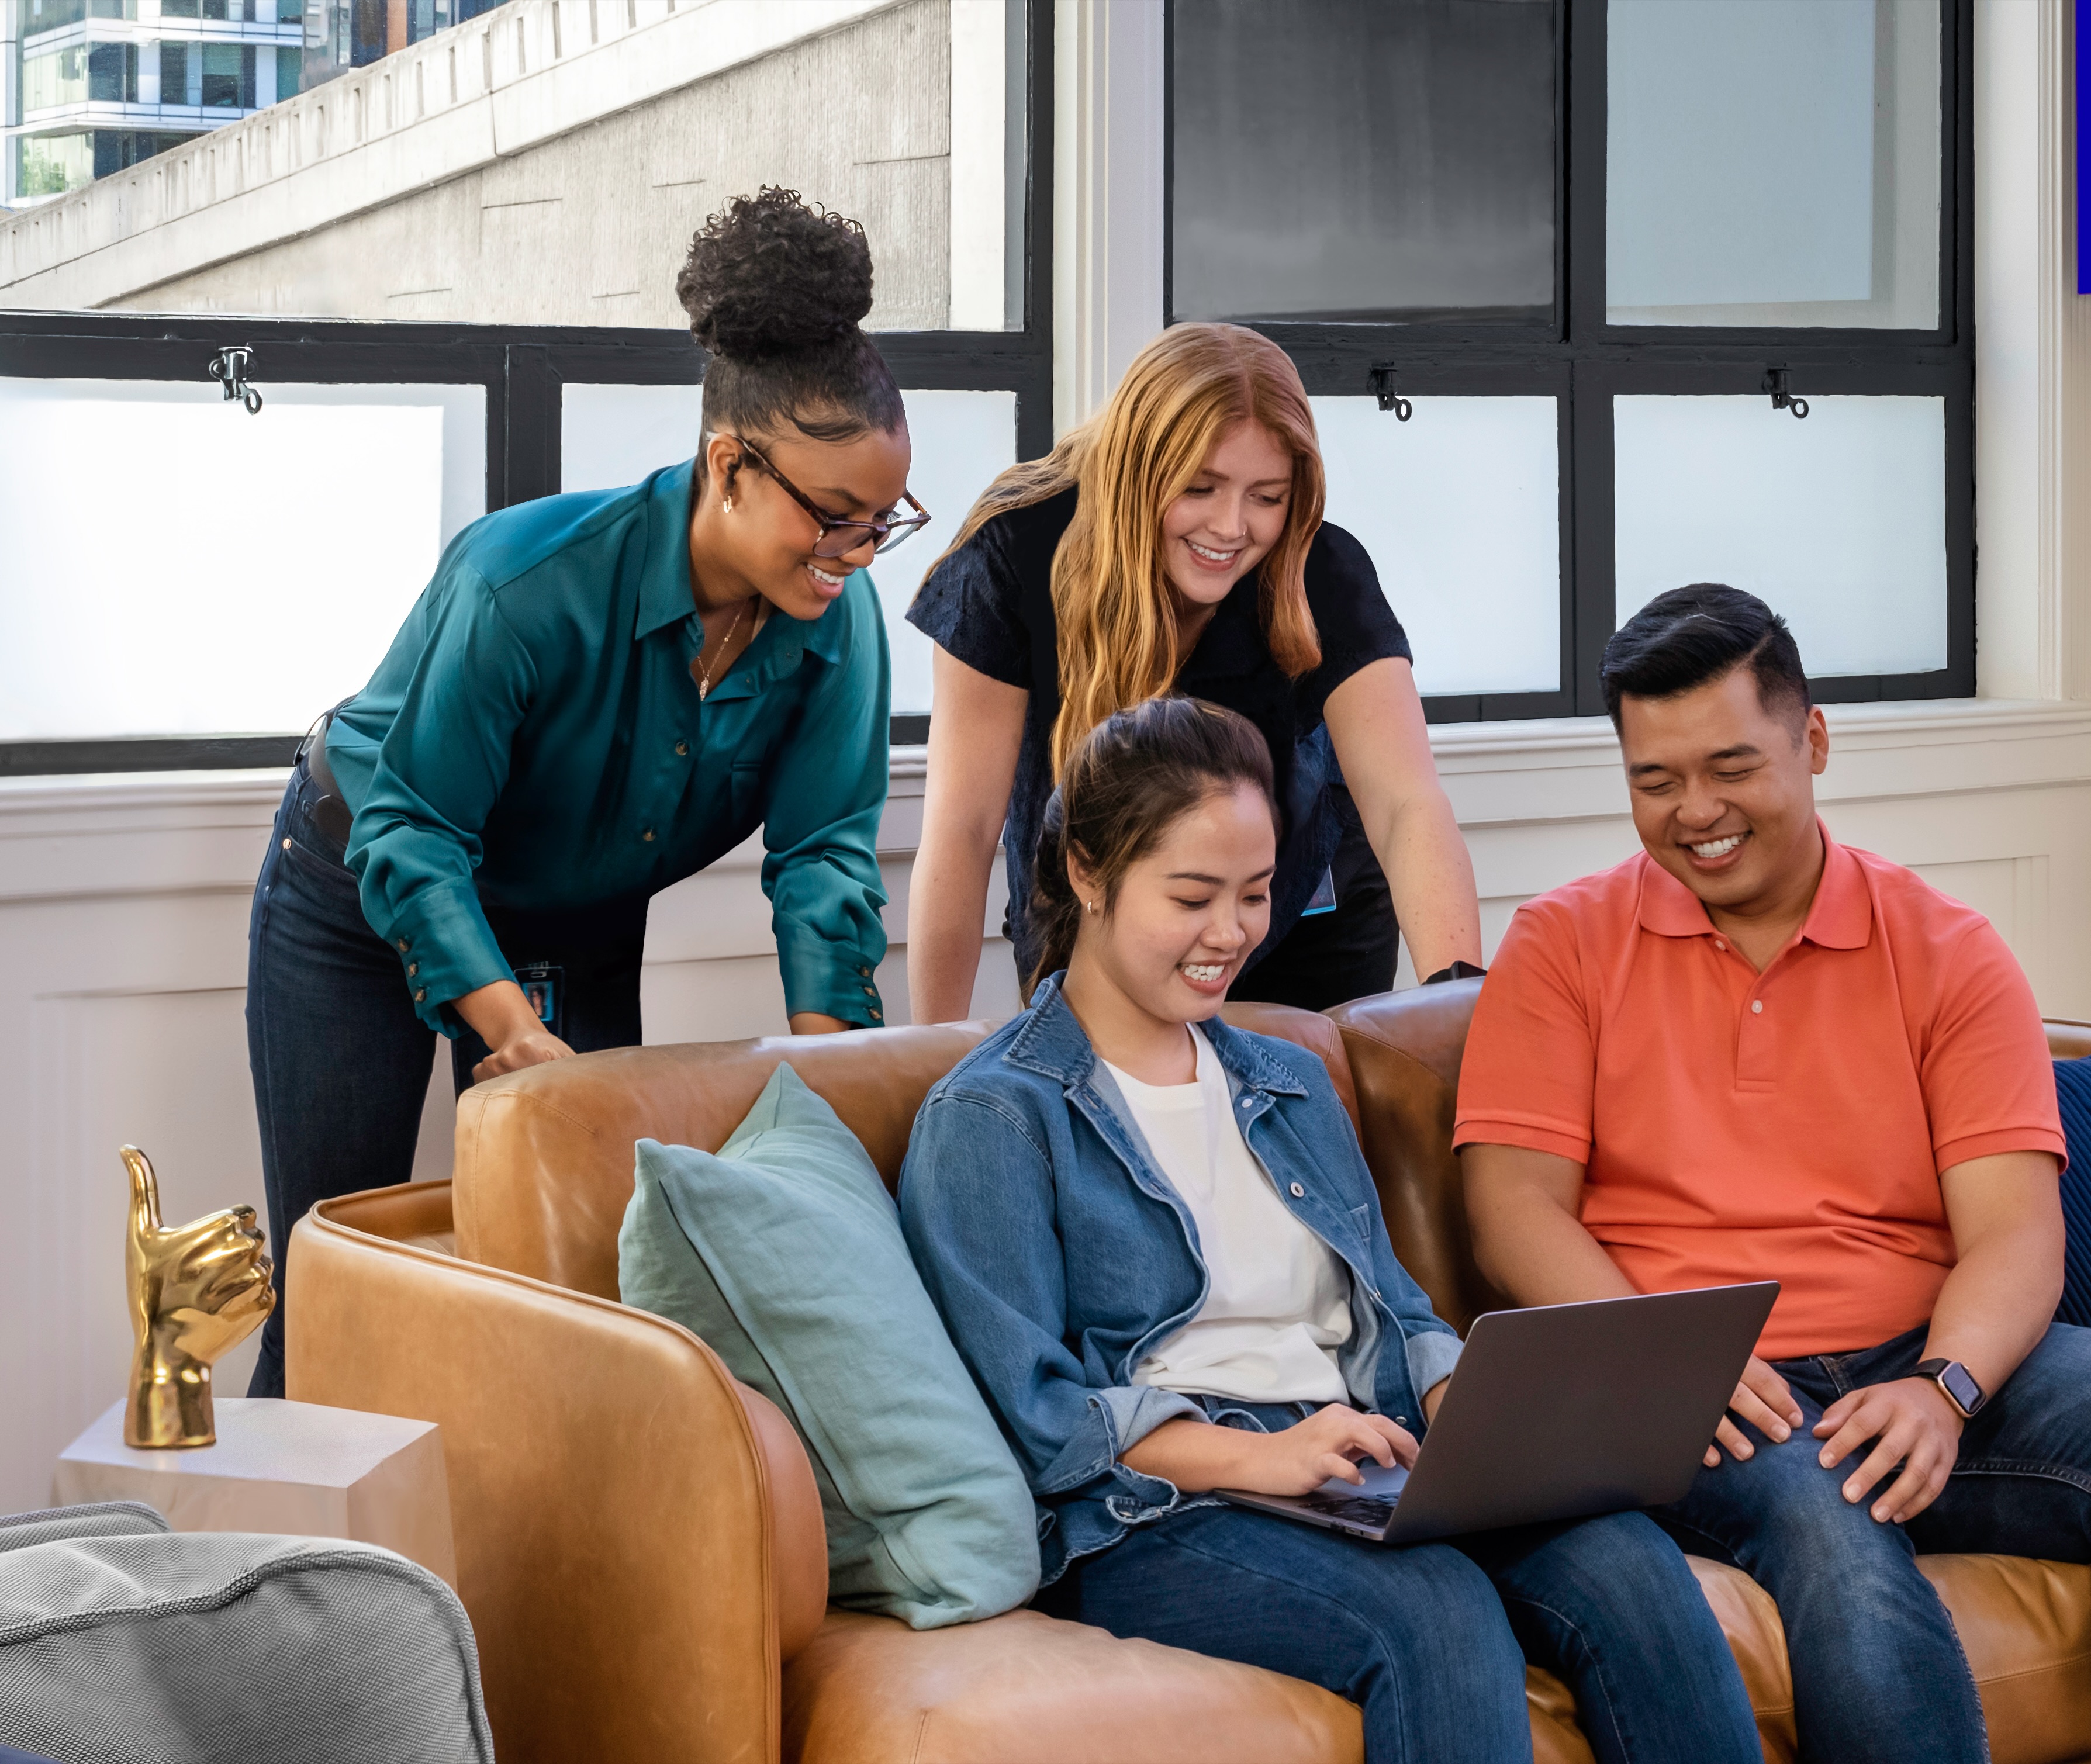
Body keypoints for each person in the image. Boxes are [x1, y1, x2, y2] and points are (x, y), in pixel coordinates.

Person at [1454, 584, 2091, 1764]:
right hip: (1697, 1384)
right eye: (1654, 780)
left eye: (1730, 766)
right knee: (1827, 1521)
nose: (1694, 812)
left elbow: (2010, 1232)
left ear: (1814, 741)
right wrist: (1660, 1355)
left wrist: (1942, 1389)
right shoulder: (1560, 944)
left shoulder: (1944, 949)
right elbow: (1508, 1207)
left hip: (1913, 1356)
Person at [896, 696, 1762, 1764]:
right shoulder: (996, 1114)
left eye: (1256, 895)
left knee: (1630, 1566)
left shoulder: (1286, 1081)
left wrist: (1478, 1415)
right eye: (1192, 895)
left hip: (1354, 1456)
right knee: (1433, 1610)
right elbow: (1033, 1411)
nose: (1231, 934)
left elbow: (1395, 1309)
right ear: (1085, 871)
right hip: (1161, 1509)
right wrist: (1262, 1458)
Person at [243, 188, 918, 1397]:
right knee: (337, 1284)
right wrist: (507, 1028)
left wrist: (833, 1077)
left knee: (581, 1301)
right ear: (729, 464)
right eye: (831, 518)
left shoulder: (835, 623)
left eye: (880, 523)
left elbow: (823, 859)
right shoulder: (523, 581)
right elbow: (413, 828)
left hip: (576, 928)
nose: (855, 554)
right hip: (361, 896)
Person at [903, 321, 1481, 1019]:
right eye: (1200, 488)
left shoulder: (1320, 568)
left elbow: (1406, 803)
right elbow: (962, 831)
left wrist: (1457, 1015)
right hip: (1097, 922)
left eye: (1266, 497)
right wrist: (933, 1057)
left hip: (1302, 926)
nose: (1231, 527)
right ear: (1135, 470)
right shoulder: (1013, 557)